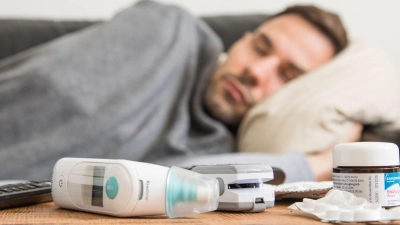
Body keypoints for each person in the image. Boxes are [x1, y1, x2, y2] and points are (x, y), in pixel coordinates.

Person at [0, 1, 353, 182]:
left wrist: (322, 163)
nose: (256, 72)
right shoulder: (172, 31)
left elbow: (164, 183)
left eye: (287, 75)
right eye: (261, 48)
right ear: (243, 40)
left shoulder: (221, 151)